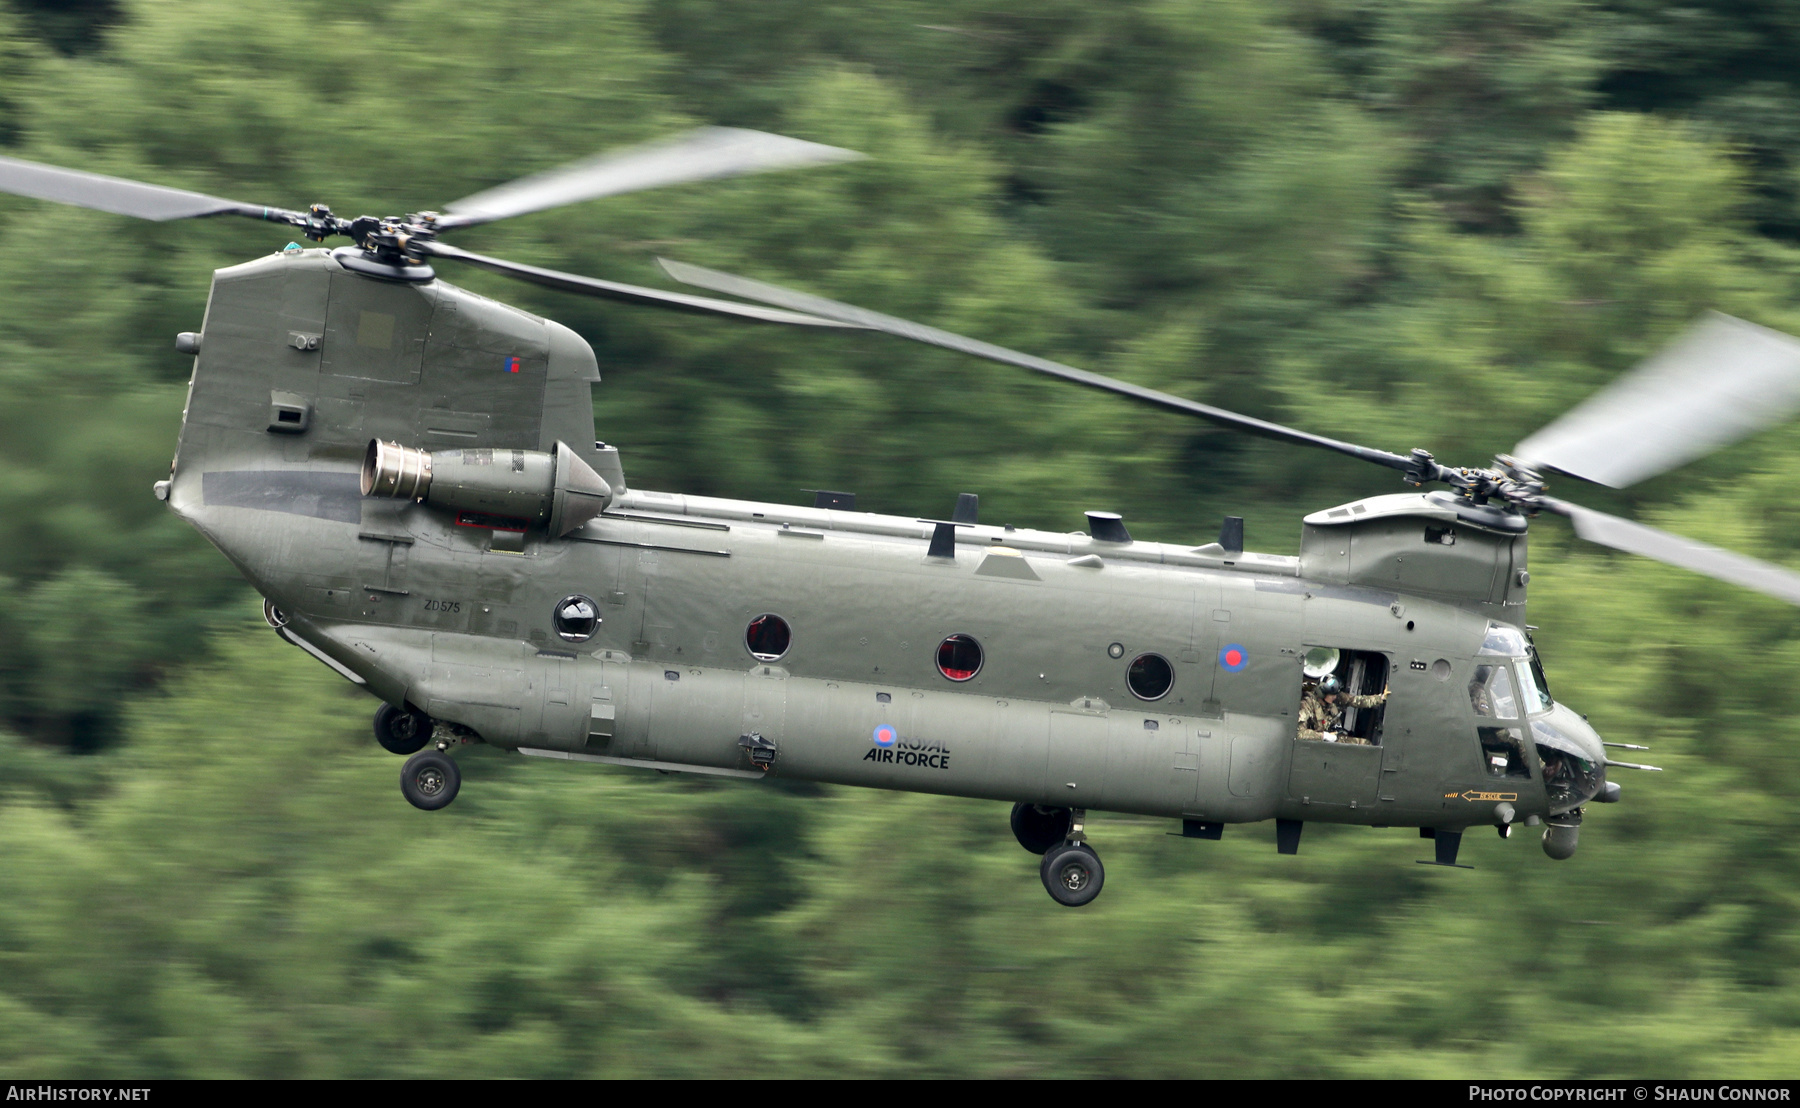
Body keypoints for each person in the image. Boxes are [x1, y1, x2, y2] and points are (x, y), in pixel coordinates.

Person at [1297, 675, 1390, 743]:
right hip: (1318, 743)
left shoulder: (1335, 697)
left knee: (1366, 744)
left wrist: (1381, 698)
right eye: (1332, 695)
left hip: (1335, 737)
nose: (1335, 697)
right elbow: (1300, 734)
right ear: (1322, 694)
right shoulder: (1307, 705)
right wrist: (1324, 736)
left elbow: (1355, 700)